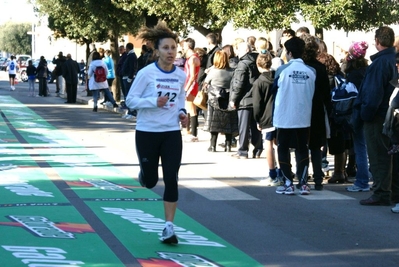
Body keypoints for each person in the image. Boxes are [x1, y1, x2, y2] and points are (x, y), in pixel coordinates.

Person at [125, 21, 188, 244]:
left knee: (172, 179)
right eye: (166, 48)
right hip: (147, 132)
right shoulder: (146, 73)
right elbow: (130, 100)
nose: (171, 52)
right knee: (151, 181)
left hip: (171, 132)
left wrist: (182, 112)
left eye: (174, 48)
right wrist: (153, 102)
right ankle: (145, 173)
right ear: (157, 50)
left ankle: (169, 227)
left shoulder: (181, 75)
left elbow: (180, 98)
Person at [357, 26, 397, 206]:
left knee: (379, 155)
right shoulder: (392, 60)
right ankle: (389, 190)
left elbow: (373, 94)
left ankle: (382, 192)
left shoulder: (380, 63)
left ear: (377, 41)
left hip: (378, 116)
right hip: (390, 114)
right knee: (389, 155)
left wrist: (365, 115)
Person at [273, 36, 316, 195]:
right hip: (303, 116)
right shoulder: (311, 71)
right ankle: (303, 183)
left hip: (284, 116)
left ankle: (288, 182)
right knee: (302, 149)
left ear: (289, 52)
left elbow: (274, 91)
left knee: (283, 149)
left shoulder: (282, 70)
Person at [300, 33, 331, 191]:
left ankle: (303, 177)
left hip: (302, 108)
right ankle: (318, 178)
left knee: (302, 145)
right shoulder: (319, 68)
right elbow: (326, 93)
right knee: (315, 146)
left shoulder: (300, 68)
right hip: (317, 109)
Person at [341, 42, 370, 192]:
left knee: (360, 147)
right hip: (370, 111)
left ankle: (362, 181)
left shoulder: (352, 74)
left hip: (356, 112)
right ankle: (370, 179)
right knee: (369, 147)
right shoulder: (368, 70)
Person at [252, 51, 282, 186]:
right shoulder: (278, 77)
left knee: (268, 145)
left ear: (258, 65)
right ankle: (283, 171)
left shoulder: (259, 82)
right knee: (280, 144)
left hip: (266, 117)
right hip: (280, 115)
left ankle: (272, 173)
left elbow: (257, 104)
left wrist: (257, 119)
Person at [229, 42, 262, 159]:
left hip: (245, 99)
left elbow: (239, 83)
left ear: (244, 51)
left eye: (238, 50)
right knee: (255, 126)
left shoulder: (242, 64)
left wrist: (233, 99)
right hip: (256, 99)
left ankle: (243, 151)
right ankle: (258, 149)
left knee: (243, 126)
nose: (237, 52)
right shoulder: (256, 61)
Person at [203, 50, 238, 152]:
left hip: (214, 99)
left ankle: (213, 145)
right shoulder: (232, 71)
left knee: (214, 123)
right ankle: (228, 145)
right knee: (228, 122)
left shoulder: (213, 71)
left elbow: (205, 83)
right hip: (228, 98)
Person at [183, 38, 201, 142]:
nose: (183, 48)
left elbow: (192, 76)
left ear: (189, 46)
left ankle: (193, 133)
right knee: (190, 108)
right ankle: (189, 132)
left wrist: (186, 88)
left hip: (191, 85)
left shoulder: (192, 58)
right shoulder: (192, 57)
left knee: (191, 109)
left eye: (184, 46)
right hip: (190, 85)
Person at [121, 42, 138, 119]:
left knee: (129, 95)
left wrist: (130, 78)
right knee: (126, 95)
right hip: (125, 77)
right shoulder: (129, 55)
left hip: (128, 78)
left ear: (128, 48)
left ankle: (132, 112)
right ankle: (129, 111)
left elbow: (132, 68)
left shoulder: (132, 56)